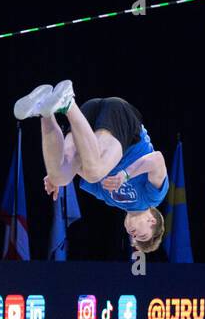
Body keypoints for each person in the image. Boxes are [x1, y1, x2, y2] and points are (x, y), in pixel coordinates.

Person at [14, 81, 167, 252]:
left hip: (88, 119)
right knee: (95, 172)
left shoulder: (111, 200)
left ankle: (44, 109)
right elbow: (157, 159)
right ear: (152, 221)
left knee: (61, 176)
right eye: (143, 236)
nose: (134, 235)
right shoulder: (152, 198)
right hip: (124, 123)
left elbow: (83, 166)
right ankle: (68, 103)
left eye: (134, 239)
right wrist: (126, 174)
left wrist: (63, 170)